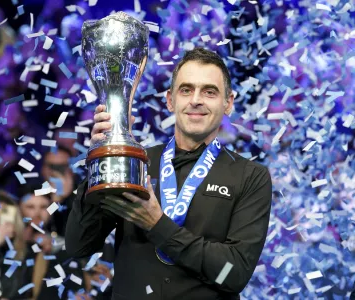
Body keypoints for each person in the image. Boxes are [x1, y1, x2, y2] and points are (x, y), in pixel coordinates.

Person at [65, 47, 273, 299]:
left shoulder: (250, 176)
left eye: (209, 91)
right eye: (186, 90)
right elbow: (79, 246)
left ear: (228, 103)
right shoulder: (136, 163)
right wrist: (103, 157)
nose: (195, 99)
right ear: (170, 100)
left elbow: (233, 274)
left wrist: (157, 225)